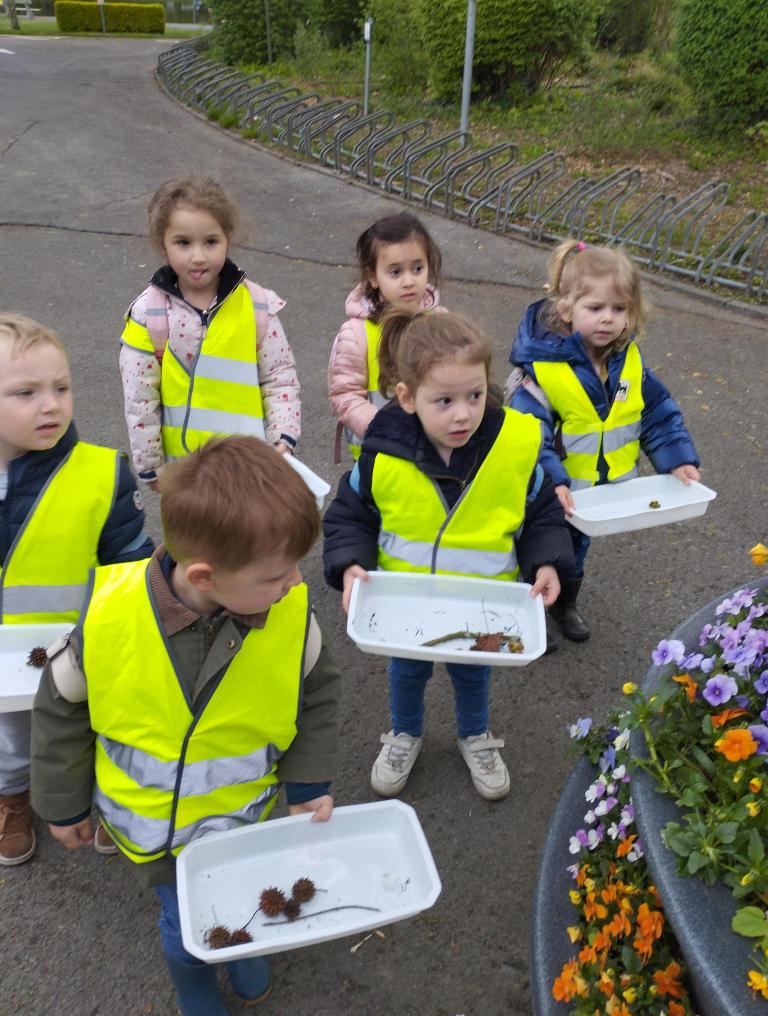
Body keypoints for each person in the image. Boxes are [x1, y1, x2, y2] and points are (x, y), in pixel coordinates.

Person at [30, 436, 340, 1016]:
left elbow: (318, 694)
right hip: (155, 837)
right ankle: (193, 978)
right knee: (186, 924)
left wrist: (307, 783)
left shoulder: (291, 616)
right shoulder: (109, 615)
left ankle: (241, 945)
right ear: (203, 576)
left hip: (240, 819)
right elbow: (61, 706)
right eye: (276, 574)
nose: (296, 583)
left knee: (241, 891)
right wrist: (61, 803)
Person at [323, 310, 574, 801]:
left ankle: (475, 736)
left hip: (482, 603)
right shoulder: (382, 452)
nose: (462, 414)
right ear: (406, 397)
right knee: (407, 672)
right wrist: (351, 563)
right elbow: (350, 514)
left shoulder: (514, 447)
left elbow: (542, 510)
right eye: (444, 401)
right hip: (404, 602)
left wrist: (546, 561)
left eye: (474, 396)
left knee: (473, 673)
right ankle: (405, 734)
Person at [0, 313, 152, 867]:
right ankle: (12, 797)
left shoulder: (101, 473)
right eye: (26, 393)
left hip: (82, 647)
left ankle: (107, 797)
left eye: (61, 388)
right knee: (10, 739)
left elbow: (131, 562)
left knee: (97, 726)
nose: (51, 405)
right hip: (4, 664)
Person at [508, 239, 700, 643]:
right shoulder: (544, 369)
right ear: (567, 308)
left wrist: (677, 458)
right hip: (546, 491)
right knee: (538, 548)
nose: (607, 319)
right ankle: (530, 611)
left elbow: (656, 412)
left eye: (619, 309)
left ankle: (565, 604)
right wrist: (552, 479)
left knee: (577, 549)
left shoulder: (628, 361)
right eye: (595, 308)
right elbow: (529, 433)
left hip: (594, 493)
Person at [119, 175, 301, 487]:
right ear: (162, 243)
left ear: (228, 238)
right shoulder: (148, 314)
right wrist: (150, 466)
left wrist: (282, 438)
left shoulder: (257, 305)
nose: (199, 256)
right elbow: (140, 398)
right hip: (185, 478)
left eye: (211, 242)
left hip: (251, 473)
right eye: (183, 243)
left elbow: (279, 376)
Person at [328, 211, 443, 460]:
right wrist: (383, 426)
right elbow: (345, 396)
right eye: (395, 272)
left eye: (417, 268)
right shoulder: (356, 334)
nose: (409, 281)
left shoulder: (442, 324)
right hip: (377, 455)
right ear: (373, 276)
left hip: (433, 453)